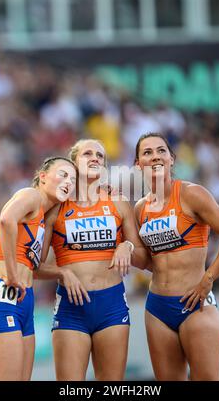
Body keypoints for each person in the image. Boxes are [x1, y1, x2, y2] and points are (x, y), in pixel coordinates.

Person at [134, 132, 219, 381]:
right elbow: (147, 261)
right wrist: (123, 249)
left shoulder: (191, 194)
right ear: (137, 164)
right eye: (148, 152)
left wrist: (209, 278)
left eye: (161, 151)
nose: (155, 157)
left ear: (172, 159)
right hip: (157, 308)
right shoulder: (140, 208)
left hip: (195, 303)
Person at [37, 139, 148, 381]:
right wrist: (62, 273)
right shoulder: (56, 207)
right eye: (88, 154)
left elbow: (142, 256)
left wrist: (126, 246)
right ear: (74, 163)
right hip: (71, 309)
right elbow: (36, 266)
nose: (95, 158)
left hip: (112, 306)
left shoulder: (117, 201)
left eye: (100, 155)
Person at [0, 156, 77, 381]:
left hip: (24, 305)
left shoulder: (42, 216)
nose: (69, 181)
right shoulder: (30, 195)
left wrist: (62, 271)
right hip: (4, 301)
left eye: (73, 178)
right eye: (63, 174)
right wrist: (12, 275)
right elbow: (5, 220)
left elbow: (33, 267)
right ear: (43, 177)